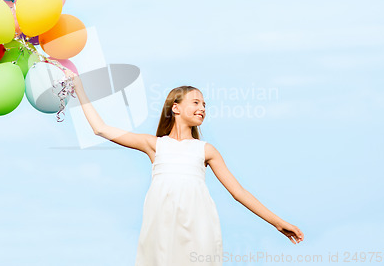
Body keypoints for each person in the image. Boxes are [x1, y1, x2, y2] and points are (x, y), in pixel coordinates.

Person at [63, 69, 304, 265]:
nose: (203, 108)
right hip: (161, 231)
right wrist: (79, 90)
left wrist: (276, 222)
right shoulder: (154, 145)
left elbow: (238, 192)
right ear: (175, 108)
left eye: (205, 105)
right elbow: (101, 128)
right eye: (196, 102)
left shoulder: (206, 150)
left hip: (199, 230)